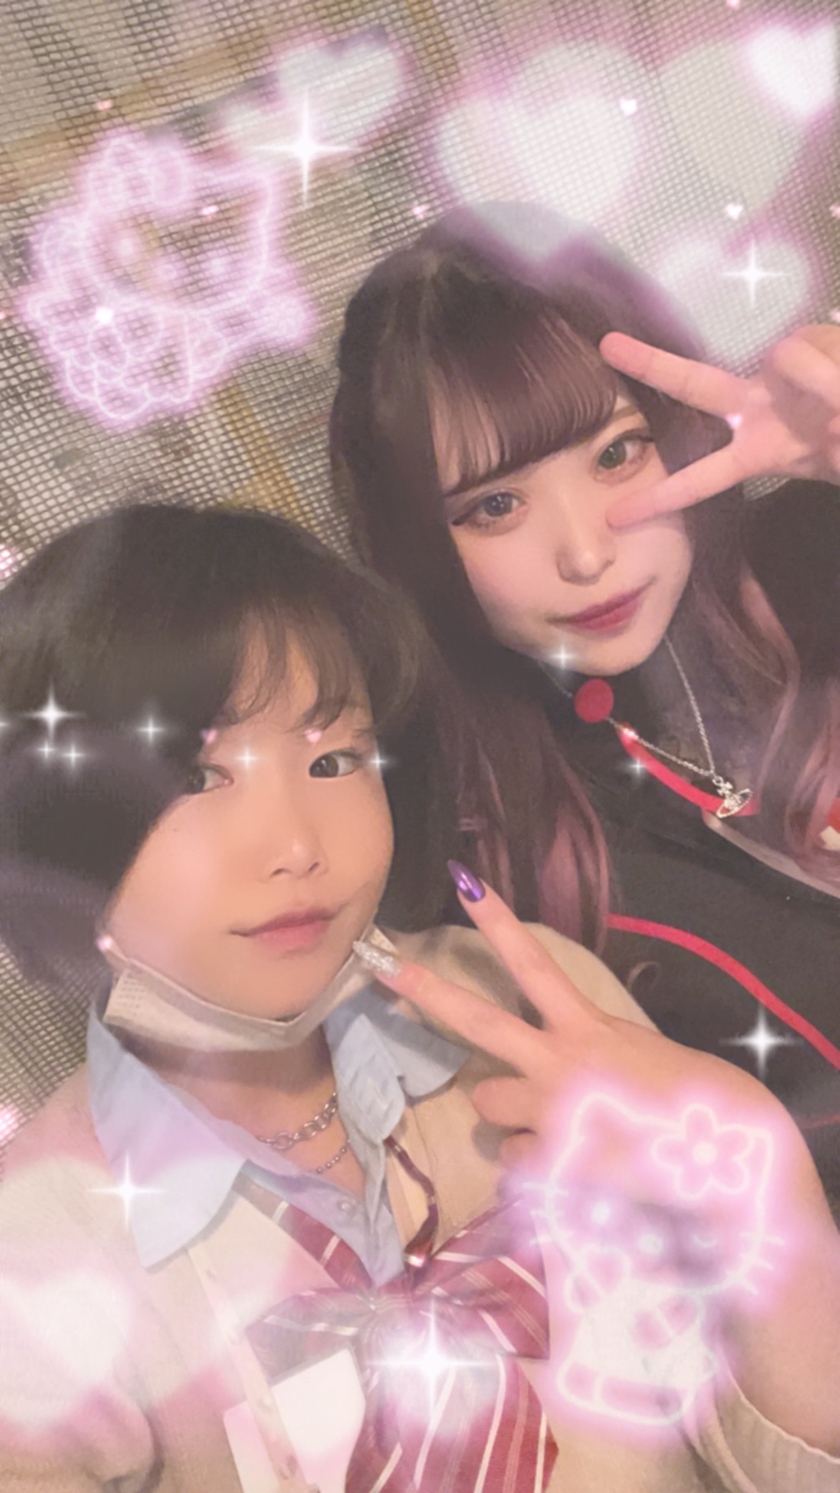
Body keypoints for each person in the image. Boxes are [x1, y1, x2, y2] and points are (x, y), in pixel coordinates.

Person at [0, 502, 838, 1492]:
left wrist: (756, 1165)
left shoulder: (536, 1005)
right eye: (195, 773)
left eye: (333, 759)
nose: (297, 843)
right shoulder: (37, 1245)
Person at [329, 203, 840, 1204]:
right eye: (495, 505)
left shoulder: (816, 555)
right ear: (418, 546)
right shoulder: (486, 845)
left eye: (616, 452)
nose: (585, 550)